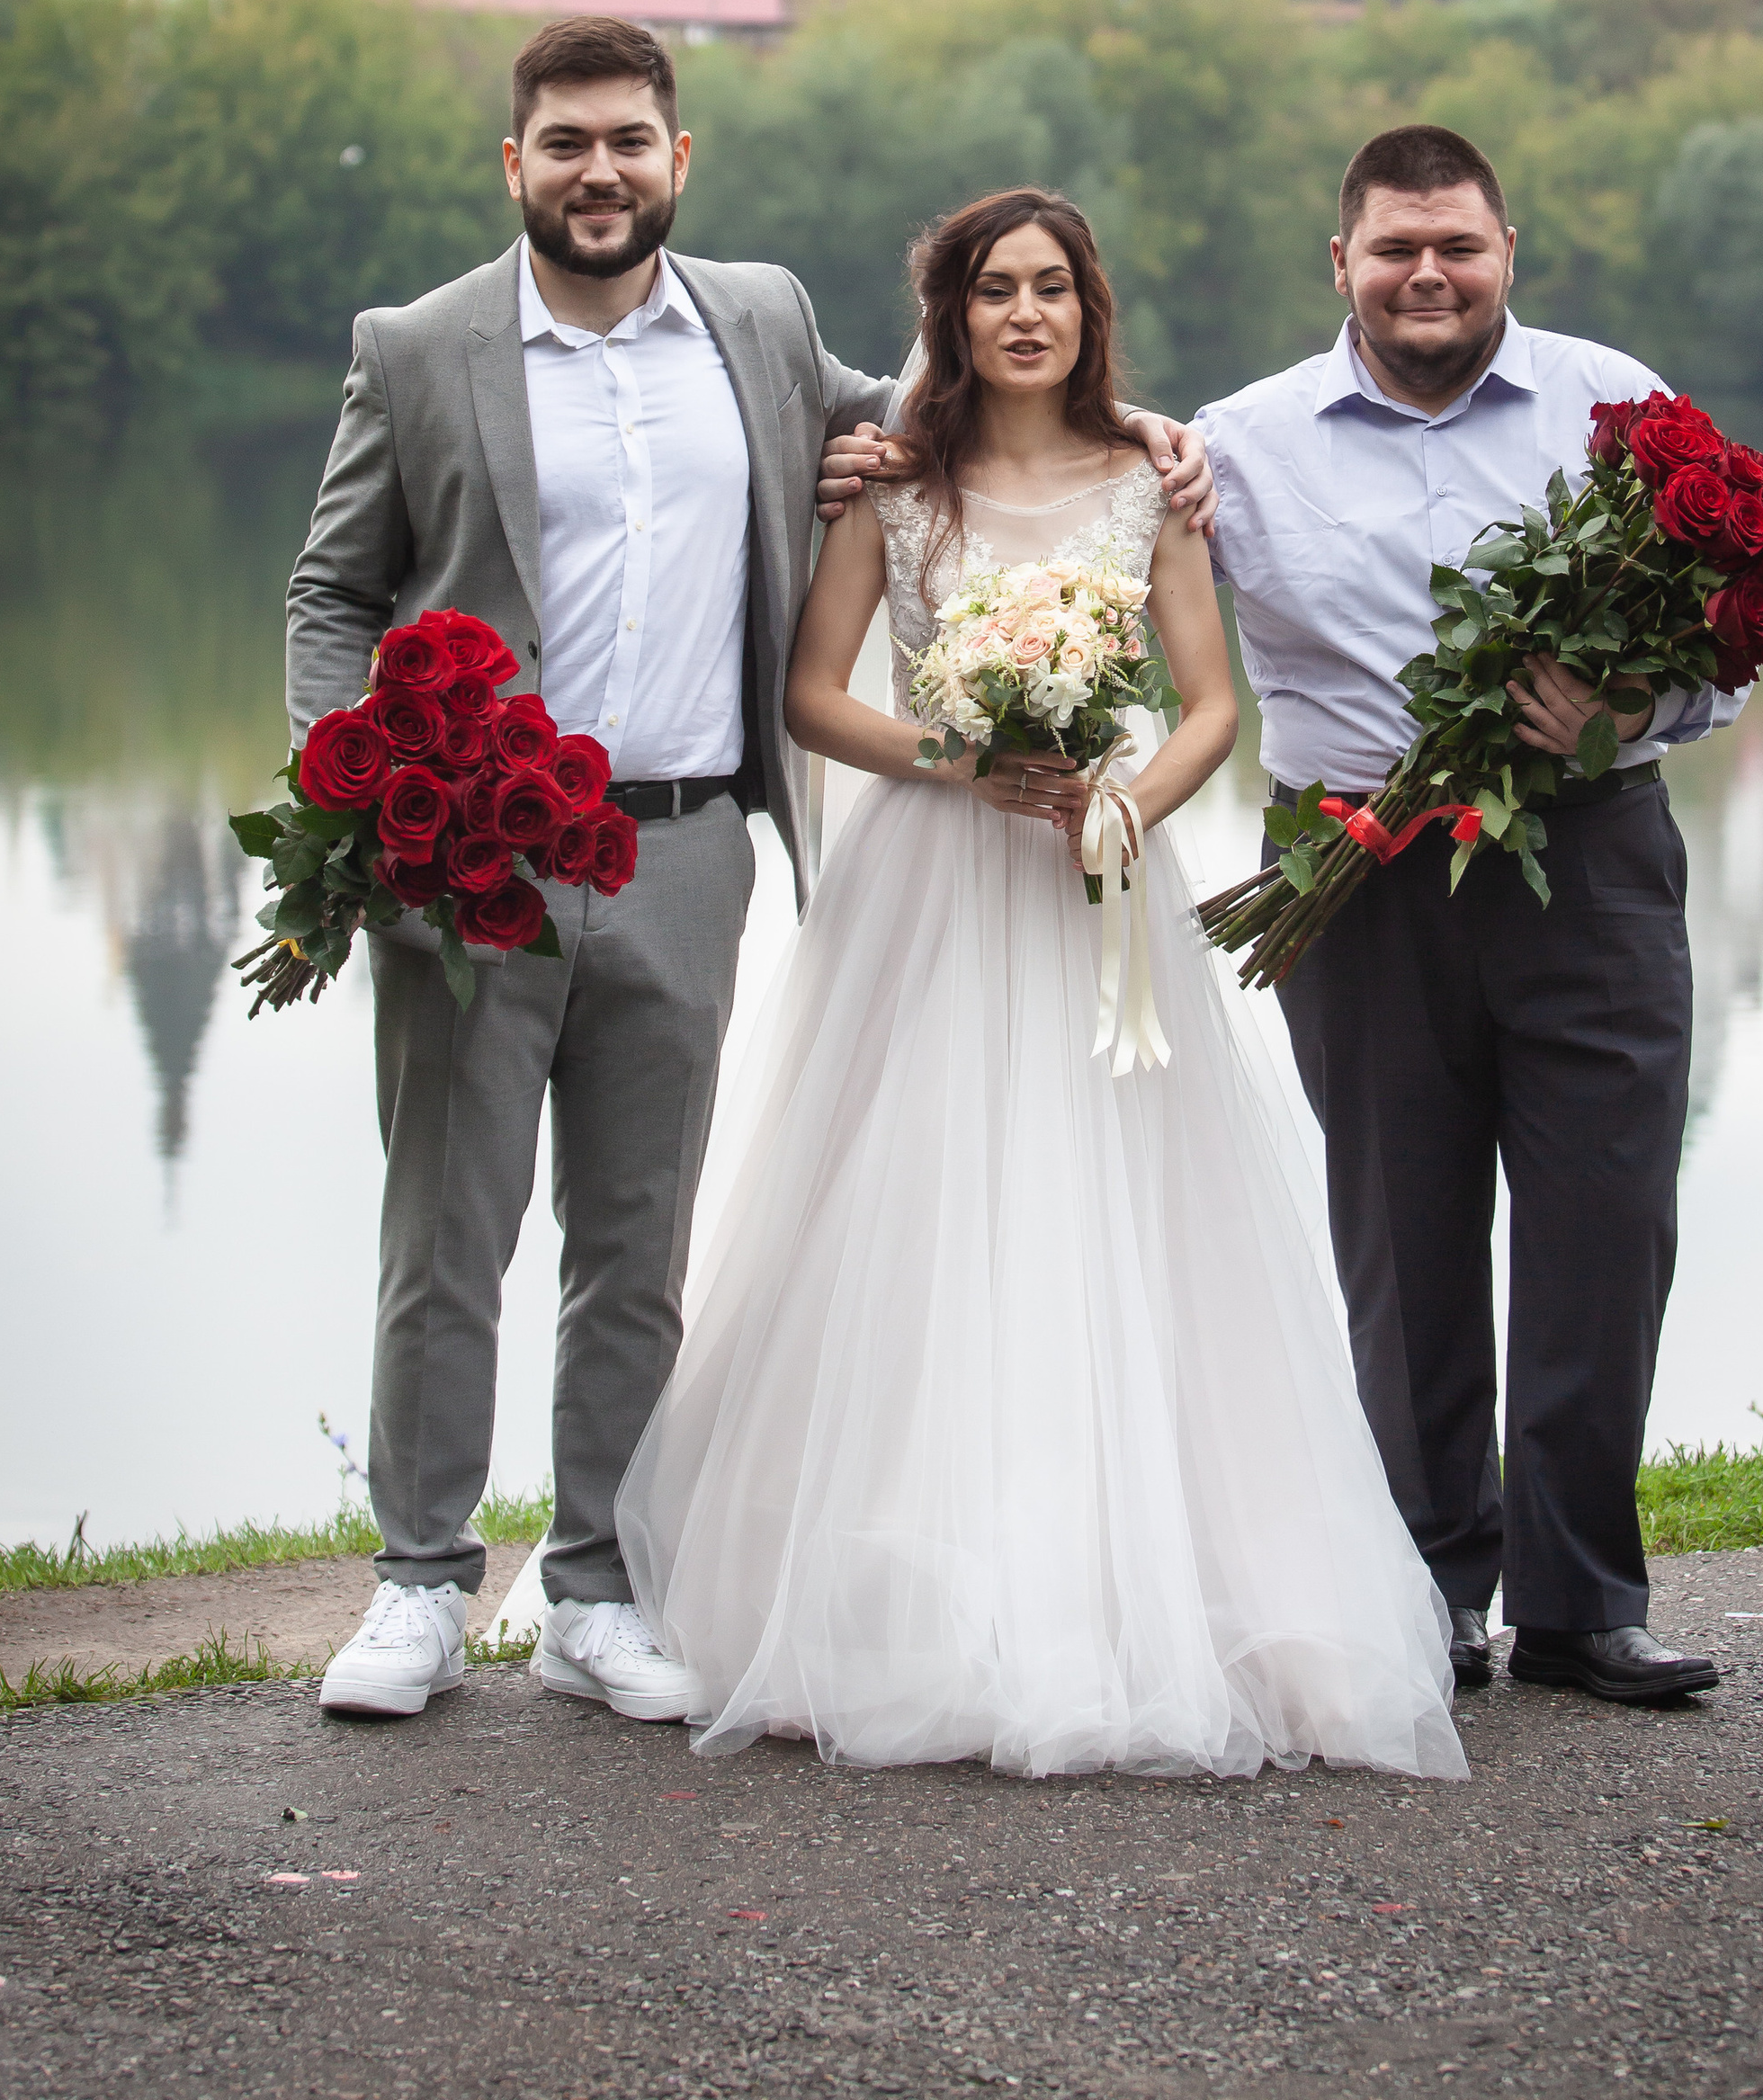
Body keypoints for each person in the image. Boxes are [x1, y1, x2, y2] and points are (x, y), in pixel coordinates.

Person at [288, 21, 1212, 1724]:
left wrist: (1141, 428)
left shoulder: (764, 322)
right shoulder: (419, 351)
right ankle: (419, 1583)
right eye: (564, 142)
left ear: (679, 158)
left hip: (690, 844)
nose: (598, 170)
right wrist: (353, 791)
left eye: (629, 139)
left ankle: (593, 1587)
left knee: (636, 1243)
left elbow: (960, 418)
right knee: (448, 1234)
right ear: (516, 164)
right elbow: (334, 593)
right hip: (474, 858)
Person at [610, 189, 1467, 1781]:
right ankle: (898, 1595)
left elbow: (1211, 704)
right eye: (995, 290)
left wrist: (1133, 795)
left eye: (1052, 289)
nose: (1024, 314)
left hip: (1103, 886)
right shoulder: (893, 489)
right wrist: (957, 752)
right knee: (918, 1213)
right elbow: (809, 697)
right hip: (935, 884)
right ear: (953, 318)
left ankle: (1150, 1588)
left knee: (1124, 1214)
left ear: (1089, 311)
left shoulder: (1152, 482)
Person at [1197, 123, 1738, 1708]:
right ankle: (1426, 1588)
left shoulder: (1619, 406)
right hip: (1362, 880)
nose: (1427, 275)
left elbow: (1724, 640)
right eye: (1395, 249)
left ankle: (1582, 1604)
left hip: (1592, 862)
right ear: (1343, 265)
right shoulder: (1235, 444)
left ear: (1510, 251)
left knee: (1607, 1224)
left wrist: (1633, 699)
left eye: (1459, 247)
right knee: (1404, 1233)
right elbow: (1058, 502)